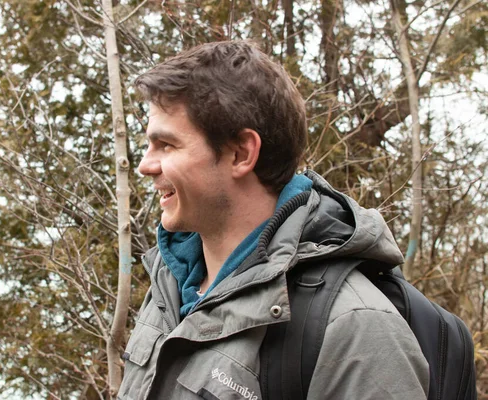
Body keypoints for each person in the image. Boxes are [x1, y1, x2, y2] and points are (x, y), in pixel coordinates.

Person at [118, 41, 429, 400]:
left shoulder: (354, 328)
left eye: (166, 145)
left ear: (241, 153)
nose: (144, 165)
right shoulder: (169, 288)